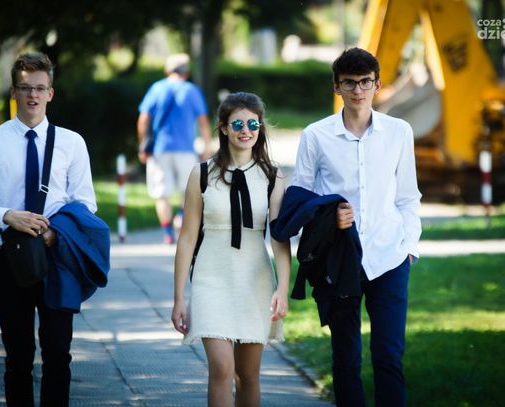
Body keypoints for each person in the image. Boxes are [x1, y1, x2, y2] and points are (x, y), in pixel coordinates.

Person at [290, 47, 422, 406]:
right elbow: (299, 199)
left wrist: (409, 248)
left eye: (365, 82)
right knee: (346, 359)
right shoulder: (316, 135)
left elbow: (408, 197)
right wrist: (328, 219)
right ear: (337, 86)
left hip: (390, 257)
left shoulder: (399, 132)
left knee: (389, 357)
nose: (358, 90)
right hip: (340, 260)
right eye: (349, 83)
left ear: (377, 85)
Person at [0, 52, 98, 406]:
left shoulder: (72, 142)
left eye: (40, 88)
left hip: (57, 257)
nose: (33, 95)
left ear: (50, 93)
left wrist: (56, 233)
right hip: (9, 258)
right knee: (18, 357)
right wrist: (7, 215)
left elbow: (86, 203)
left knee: (58, 355)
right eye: (25, 88)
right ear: (13, 92)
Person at [171, 92, 291, 406]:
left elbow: (279, 239)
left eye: (253, 124)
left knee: (248, 375)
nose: (245, 130)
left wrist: (283, 288)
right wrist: (179, 297)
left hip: (255, 281)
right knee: (222, 368)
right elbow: (187, 239)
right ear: (224, 128)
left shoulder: (272, 176)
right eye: (237, 124)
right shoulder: (201, 174)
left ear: (260, 127)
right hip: (211, 279)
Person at [136, 53, 213, 244]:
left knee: (162, 193)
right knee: (189, 190)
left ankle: (167, 232)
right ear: (186, 71)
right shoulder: (192, 91)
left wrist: (143, 145)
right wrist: (207, 148)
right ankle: (180, 216)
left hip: (159, 150)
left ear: (167, 70)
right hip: (186, 150)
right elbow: (203, 122)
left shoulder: (156, 88)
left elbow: (143, 120)